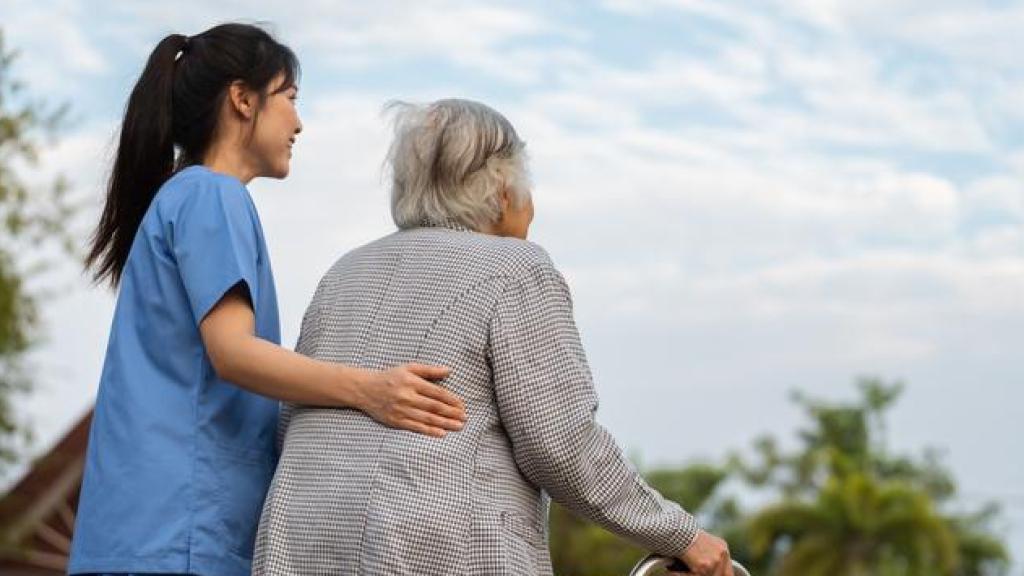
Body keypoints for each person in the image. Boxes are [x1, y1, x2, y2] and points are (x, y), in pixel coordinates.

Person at [253, 99, 734, 576]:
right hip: (427, 546)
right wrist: (680, 535)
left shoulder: (345, 271)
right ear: (503, 188)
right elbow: (562, 445)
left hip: (298, 540)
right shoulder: (516, 269)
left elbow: (291, 420)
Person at [69, 24, 466, 576]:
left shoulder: (183, 197)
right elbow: (232, 353)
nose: (298, 123)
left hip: (146, 534)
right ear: (242, 99)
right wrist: (372, 391)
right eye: (290, 98)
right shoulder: (212, 195)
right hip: (181, 538)